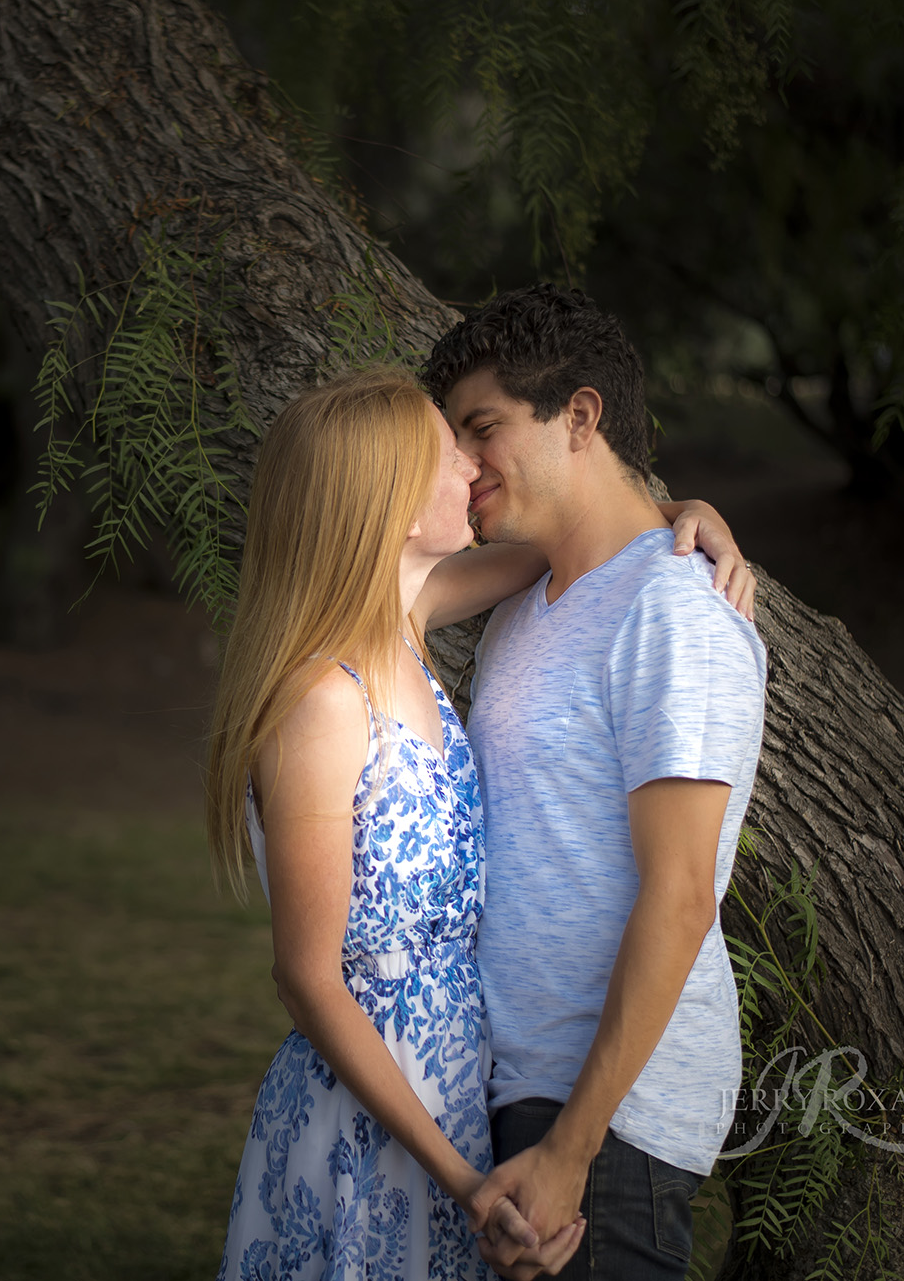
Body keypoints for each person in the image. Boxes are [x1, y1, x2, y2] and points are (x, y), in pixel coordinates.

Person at [207, 366, 756, 1280]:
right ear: (383, 501)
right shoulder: (321, 701)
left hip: (463, 1081)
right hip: (376, 1113)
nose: (470, 464)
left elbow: (579, 533)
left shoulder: (406, 622)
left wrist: (690, 510)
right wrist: (463, 1178)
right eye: (445, 449)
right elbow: (307, 978)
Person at [428, 285, 770, 1280]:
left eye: (482, 427)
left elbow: (681, 893)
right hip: (517, 1081)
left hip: (610, 1112)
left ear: (580, 416)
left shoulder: (675, 611)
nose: (462, 461)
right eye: (452, 438)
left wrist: (574, 1147)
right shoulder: (529, 603)